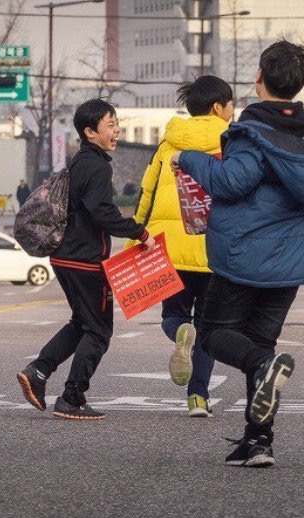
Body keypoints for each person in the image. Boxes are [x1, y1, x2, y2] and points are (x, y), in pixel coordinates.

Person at [171, 40, 304, 467]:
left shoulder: (250, 133)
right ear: (301, 84)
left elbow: (231, 183)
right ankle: (258, 441)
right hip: (292, 261)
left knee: (216, 334)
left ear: (259, 78)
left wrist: (190, 159)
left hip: (243, 255)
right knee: (260, 340)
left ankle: (263, 370)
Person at [17, 99, 155, 421]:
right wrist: (139, 232)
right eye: (110, 125)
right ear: (90, 132)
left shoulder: (80, 161)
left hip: (66, 257)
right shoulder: (98, 166)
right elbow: (102, 212)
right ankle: (72, 398)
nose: (117, 129)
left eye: (116, 122)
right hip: (85, 261)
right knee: (99, 332)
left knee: (82, 323)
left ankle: (38, 371)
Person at [125, 75, 233, 418]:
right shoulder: (233, 143)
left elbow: (148, 194)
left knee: (174, 315)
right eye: (231, 104)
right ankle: (197, 397)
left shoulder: (168, 144)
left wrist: (135, 238)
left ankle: (179, 333)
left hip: (169, 246)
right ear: (218, 107)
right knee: (208, 324)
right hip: (214, 247)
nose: (233, 110)